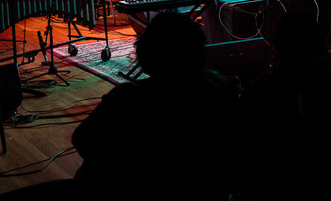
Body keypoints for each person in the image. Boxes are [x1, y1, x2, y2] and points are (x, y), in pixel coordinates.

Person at [72, 12, 240, 199]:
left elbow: (82, 140)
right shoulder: (223, 87)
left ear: (147, 52)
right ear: (200, 50)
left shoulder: (127, 97)